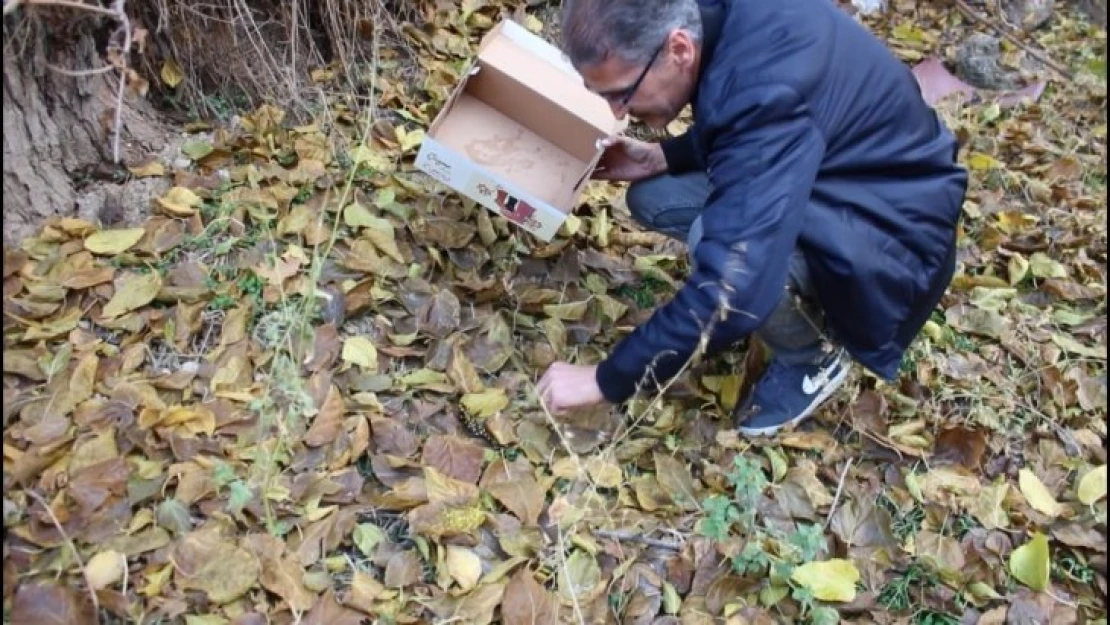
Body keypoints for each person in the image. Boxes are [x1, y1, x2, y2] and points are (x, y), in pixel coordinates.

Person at [536, 0, 968, 436]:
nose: (617, 113)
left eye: (622, 93)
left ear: (679, 49)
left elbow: (736, 287)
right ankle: (792, 295)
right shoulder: (718, 19)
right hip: (834, 171)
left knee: (727, 254)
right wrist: (662, 156)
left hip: (893, 238)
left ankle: (814, 354)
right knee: (656, 196)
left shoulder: (767, 92)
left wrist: (607, 380)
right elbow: (754, 118)